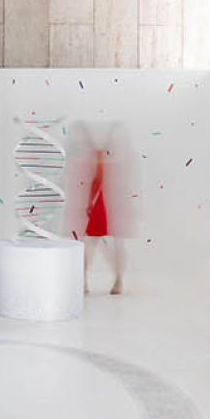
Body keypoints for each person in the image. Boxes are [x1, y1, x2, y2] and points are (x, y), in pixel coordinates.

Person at [65, 122, 135, 295]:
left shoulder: (119, 156)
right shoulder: (90, 155)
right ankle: (83, 282)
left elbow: (126, 184)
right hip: (95, 205)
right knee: (88, 245)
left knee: (114, 245)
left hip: (111, 204)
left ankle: (118, 280)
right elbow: (83, 182)